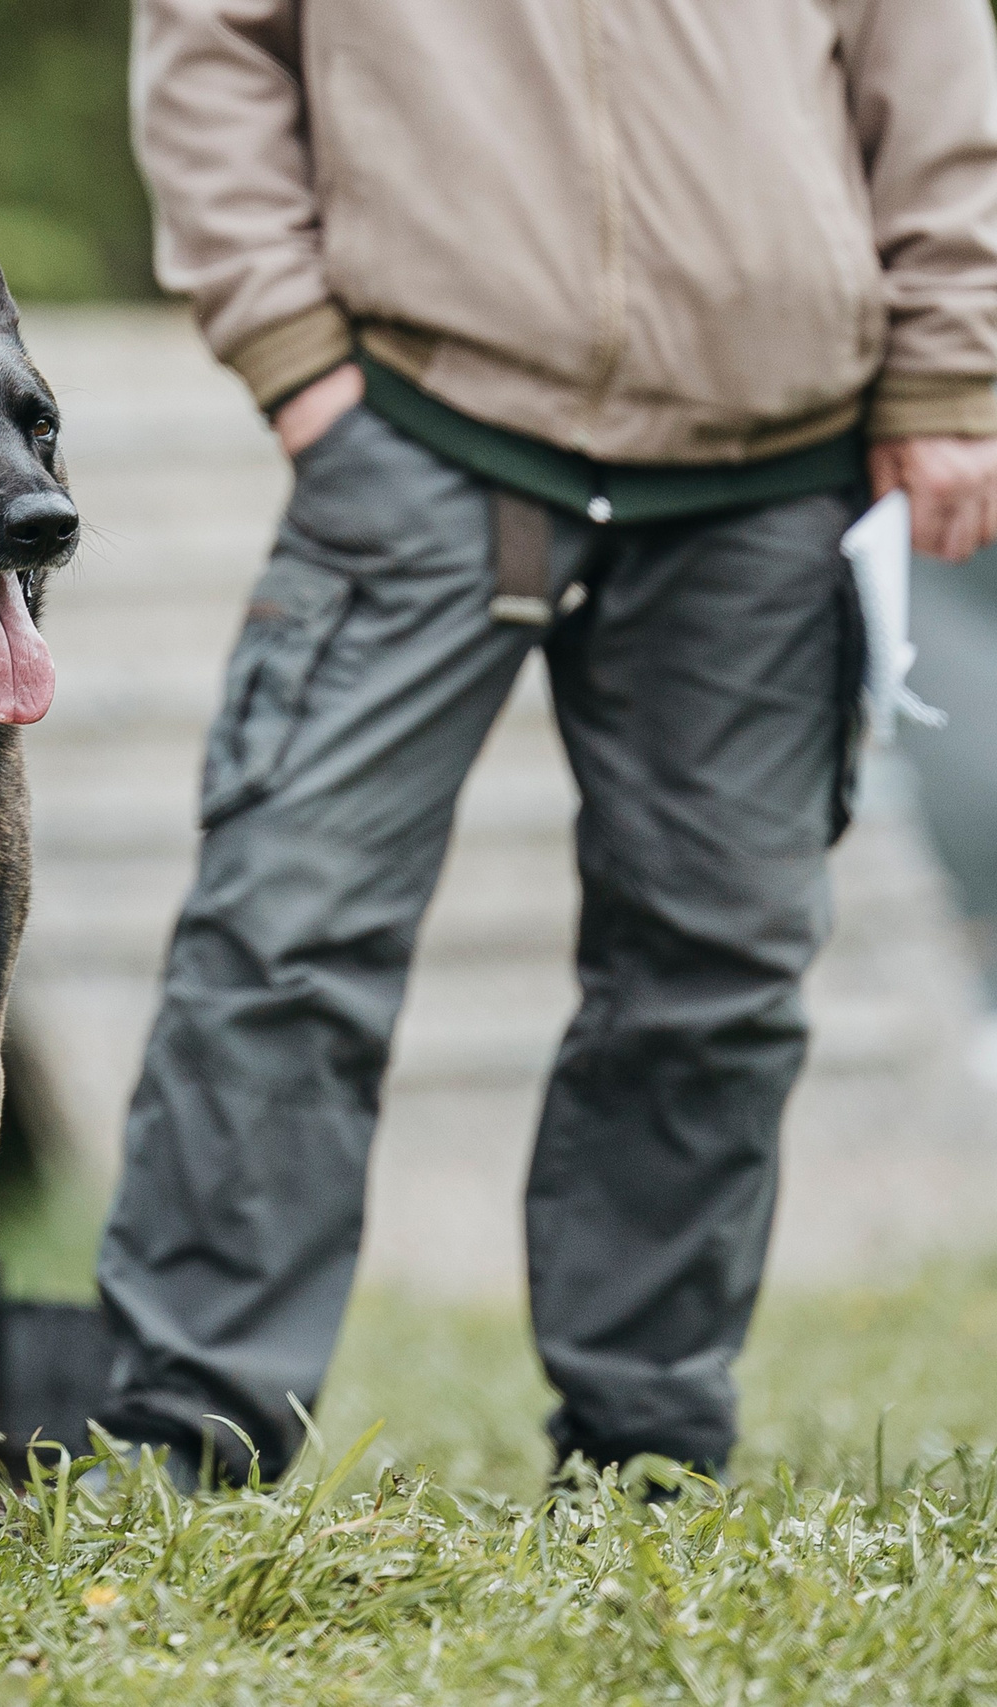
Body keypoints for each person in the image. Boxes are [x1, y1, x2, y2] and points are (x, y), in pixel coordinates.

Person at [101, 0, 997, 1488]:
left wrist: (952, 367)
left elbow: (937, 59)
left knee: (721, 965)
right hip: (422, 426)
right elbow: (211, 38)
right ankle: (183, 1439)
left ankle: (646, 1453)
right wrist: (293, 353)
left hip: (765, 467)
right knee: (284, 931)